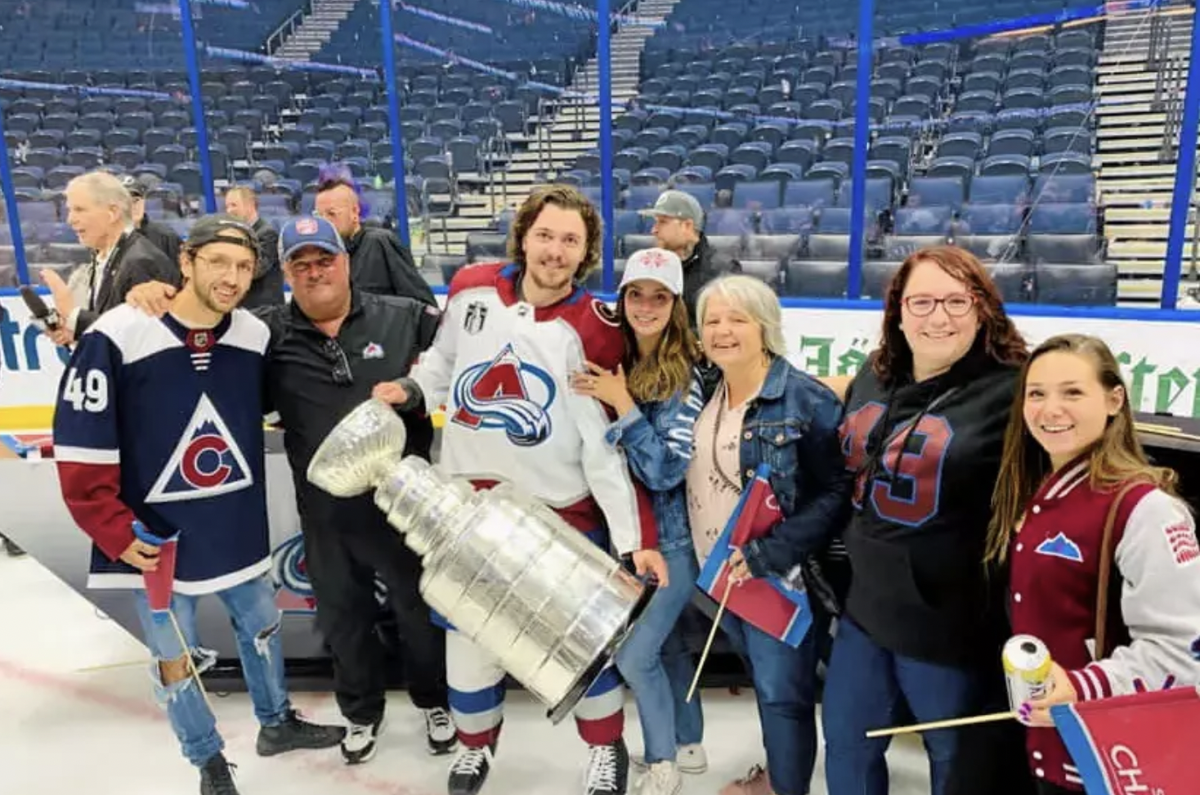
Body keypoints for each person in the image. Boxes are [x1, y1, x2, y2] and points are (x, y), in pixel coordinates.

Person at [123, 215, 454, 767]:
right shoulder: (263, 334)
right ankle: (361, 713)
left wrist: (418, 393)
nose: (314, 271)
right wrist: (147, 292)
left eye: (324, 259)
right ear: (286, 274)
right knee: (345, 620)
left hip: (406, 508)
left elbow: (464, 351)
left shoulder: (404, 317)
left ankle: (433, 702)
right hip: (326, 515)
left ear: (345, 262)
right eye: (300, 263)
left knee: (419, 613)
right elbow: (193, 330)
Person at [376, 184, 667, 795]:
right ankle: (474, 748)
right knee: (470, 645)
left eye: (570, 240)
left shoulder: (596, 325)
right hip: (467, 514)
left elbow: (602, 444)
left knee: (581, 648)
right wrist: (411, 390)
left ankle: (604, 751)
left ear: (586, 252)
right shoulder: (472, 287)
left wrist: (629, 539)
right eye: (545, 235)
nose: (555, 251)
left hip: (556, 517)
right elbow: (442, 365)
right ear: (523, 235)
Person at [52, 215, 344, 795]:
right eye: (217, 262)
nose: (231, 277)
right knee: (174, 660)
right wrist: (112, 527)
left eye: (242, 267)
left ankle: (276, 722)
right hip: (156, 536)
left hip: (235, 526)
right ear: (185, 262)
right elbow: (81, 442)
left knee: (262, 628)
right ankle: (206, 758)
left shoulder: (254, 337)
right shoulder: (120, 332)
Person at [820, 246, 1031, 795]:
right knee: (846, 743)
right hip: (866, 606)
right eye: (922, 301)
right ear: (897, 311)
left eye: (957, 300)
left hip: (950, 623)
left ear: (984, 308)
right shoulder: (874, 373)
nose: (938, 316)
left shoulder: (1013, 390)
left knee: (956, 766)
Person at [986, 334, 1200, 795]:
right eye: (1037, 393)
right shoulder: (1040, 487)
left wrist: (1082, 686)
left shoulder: (1148, 509)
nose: (1050, 409)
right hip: (1048, 743)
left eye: (1073, 392)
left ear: (1114, 399)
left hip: (1110, 755)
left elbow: (1183, 652)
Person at [686, 274, 851, 795]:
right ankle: (780, 775)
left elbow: (837, 492)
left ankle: (786, 787)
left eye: (738, 319)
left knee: (784, 694)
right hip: (718, 578)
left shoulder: (804, 400)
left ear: (765, 328)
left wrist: (768, 553)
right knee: (767, 684)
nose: (723, 330)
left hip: (776, 580)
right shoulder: (706, 392)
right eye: (712, 320)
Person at [570, 247, 708, 795]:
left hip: (673, 543)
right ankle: (688, 743)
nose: (645, 306)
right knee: (667, 647)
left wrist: (624, 405)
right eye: (635, 294)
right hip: (624, 538)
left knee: (636, 653)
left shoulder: (682, 376)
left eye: (659, 296)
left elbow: (668, 470)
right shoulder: (613, 353)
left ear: (675, 304)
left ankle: (661, 762)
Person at [38, 170, 179, 347]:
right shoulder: (104, 254)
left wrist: (73, 316)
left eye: (79, 209)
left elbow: (141, 342)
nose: (70, 220)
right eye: (70, 210)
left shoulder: (141, 261)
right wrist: (74, 332)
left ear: (112, 212)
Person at [314, 173, 434, 304]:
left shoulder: (380, 243)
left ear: (355, 212)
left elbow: (422, 304)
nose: (324, 222)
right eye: (319, 216)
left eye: (331, 214)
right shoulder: (320, 255)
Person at [639, 190, 719, 327]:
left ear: (687, 226)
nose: (654, 230)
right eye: (655, 222)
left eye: (662, 222)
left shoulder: (719, 271)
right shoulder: (648, 266)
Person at [223, 185, 283, 309]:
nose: (229, 210)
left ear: (250, 205)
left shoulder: (267, 234)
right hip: (242, 308)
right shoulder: (236, 234)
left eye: (234, 205)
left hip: (264, 310)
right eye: (227, 206)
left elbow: (256, 270)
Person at [121, 174, 182, 265]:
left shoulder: (166, 237)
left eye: (136, 200)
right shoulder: (101, 238)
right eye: (125, 202)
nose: (132, 206)